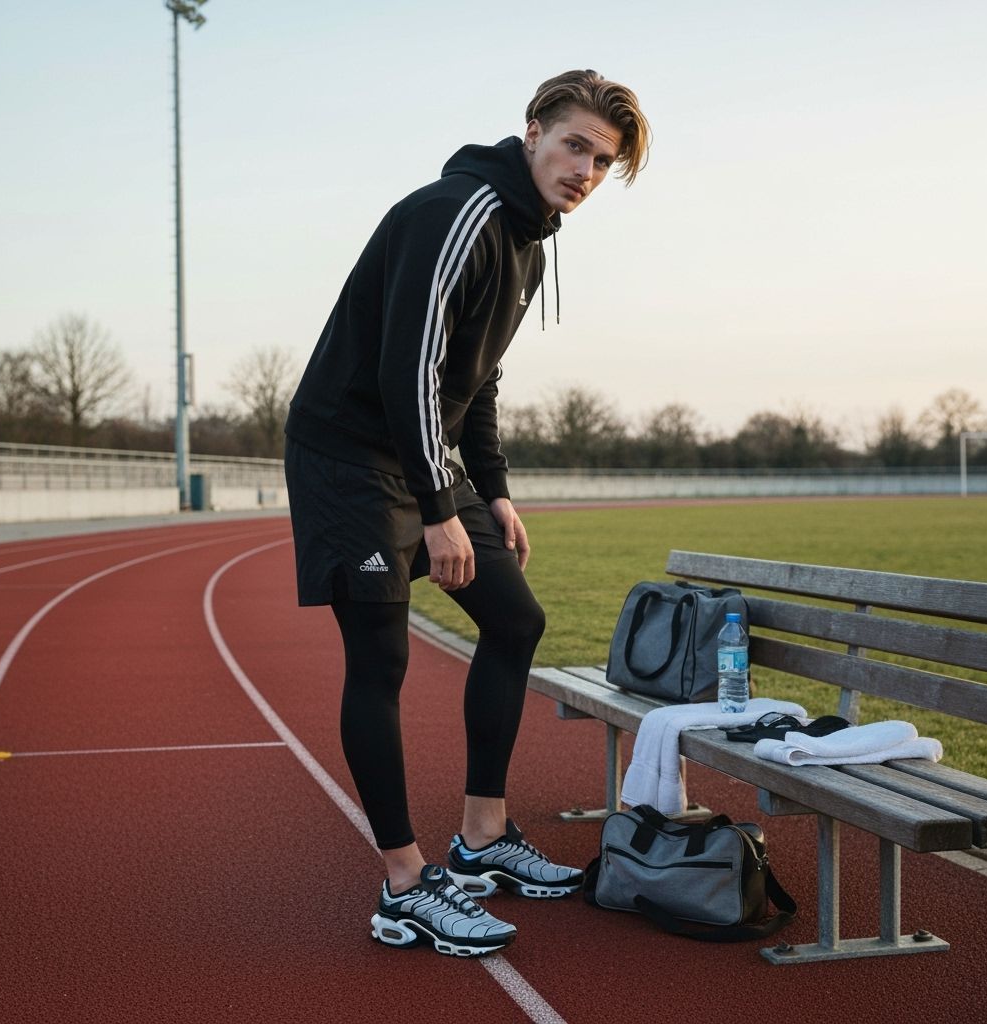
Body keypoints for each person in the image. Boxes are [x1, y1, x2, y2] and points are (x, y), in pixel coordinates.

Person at [284, 69, 650, 957]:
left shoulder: (529, 236)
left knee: (516, 619)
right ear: (532, 131)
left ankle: (482, 837)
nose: (586, 173)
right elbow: (408, 367)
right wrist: (439, 507)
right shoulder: (463, 213)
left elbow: (473, 379)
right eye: (575, 147)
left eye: (602, 164)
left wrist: (492, 490)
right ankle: (406, 882)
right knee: (380, 655)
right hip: (348, 452)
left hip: (421, 454)